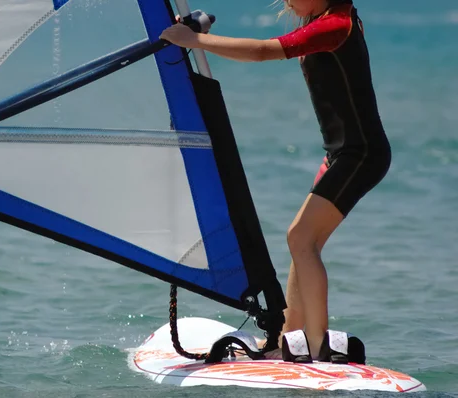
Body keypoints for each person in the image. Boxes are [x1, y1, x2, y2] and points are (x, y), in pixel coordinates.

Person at [160, 0, 391, 358]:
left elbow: (263, 51)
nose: (287, 1)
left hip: (360, 154)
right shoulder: (321, 17)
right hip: (340, 154)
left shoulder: (336, 24)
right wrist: (191, 33)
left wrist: (197, 42)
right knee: (302, 242)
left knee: (301, 238)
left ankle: (319, 348)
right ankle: (289, 338)